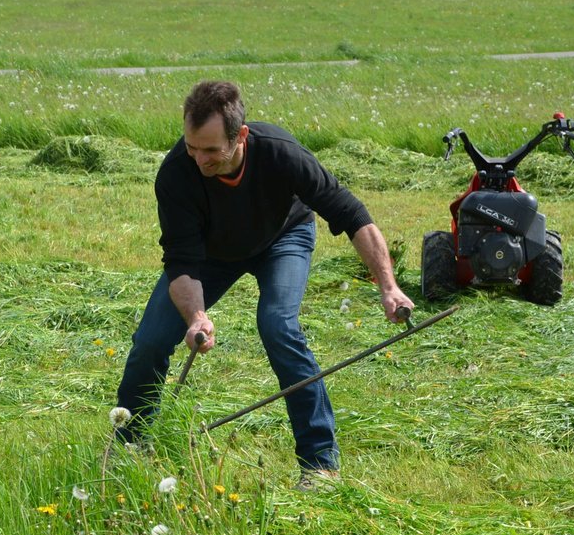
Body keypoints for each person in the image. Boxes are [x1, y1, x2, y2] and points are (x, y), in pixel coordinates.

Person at [114, 80, 414, 490]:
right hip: (211, 253)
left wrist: (388, 287)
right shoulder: (176, 174)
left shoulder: (281, 153)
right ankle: (130, 447)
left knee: (278, 325)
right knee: (150, 340)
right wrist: (197, 316)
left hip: (282, 238)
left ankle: (320, 465)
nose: (199, 159)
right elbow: (181, 261)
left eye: (210, 150)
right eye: (191, 147)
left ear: (240, 136)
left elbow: (352, 215)